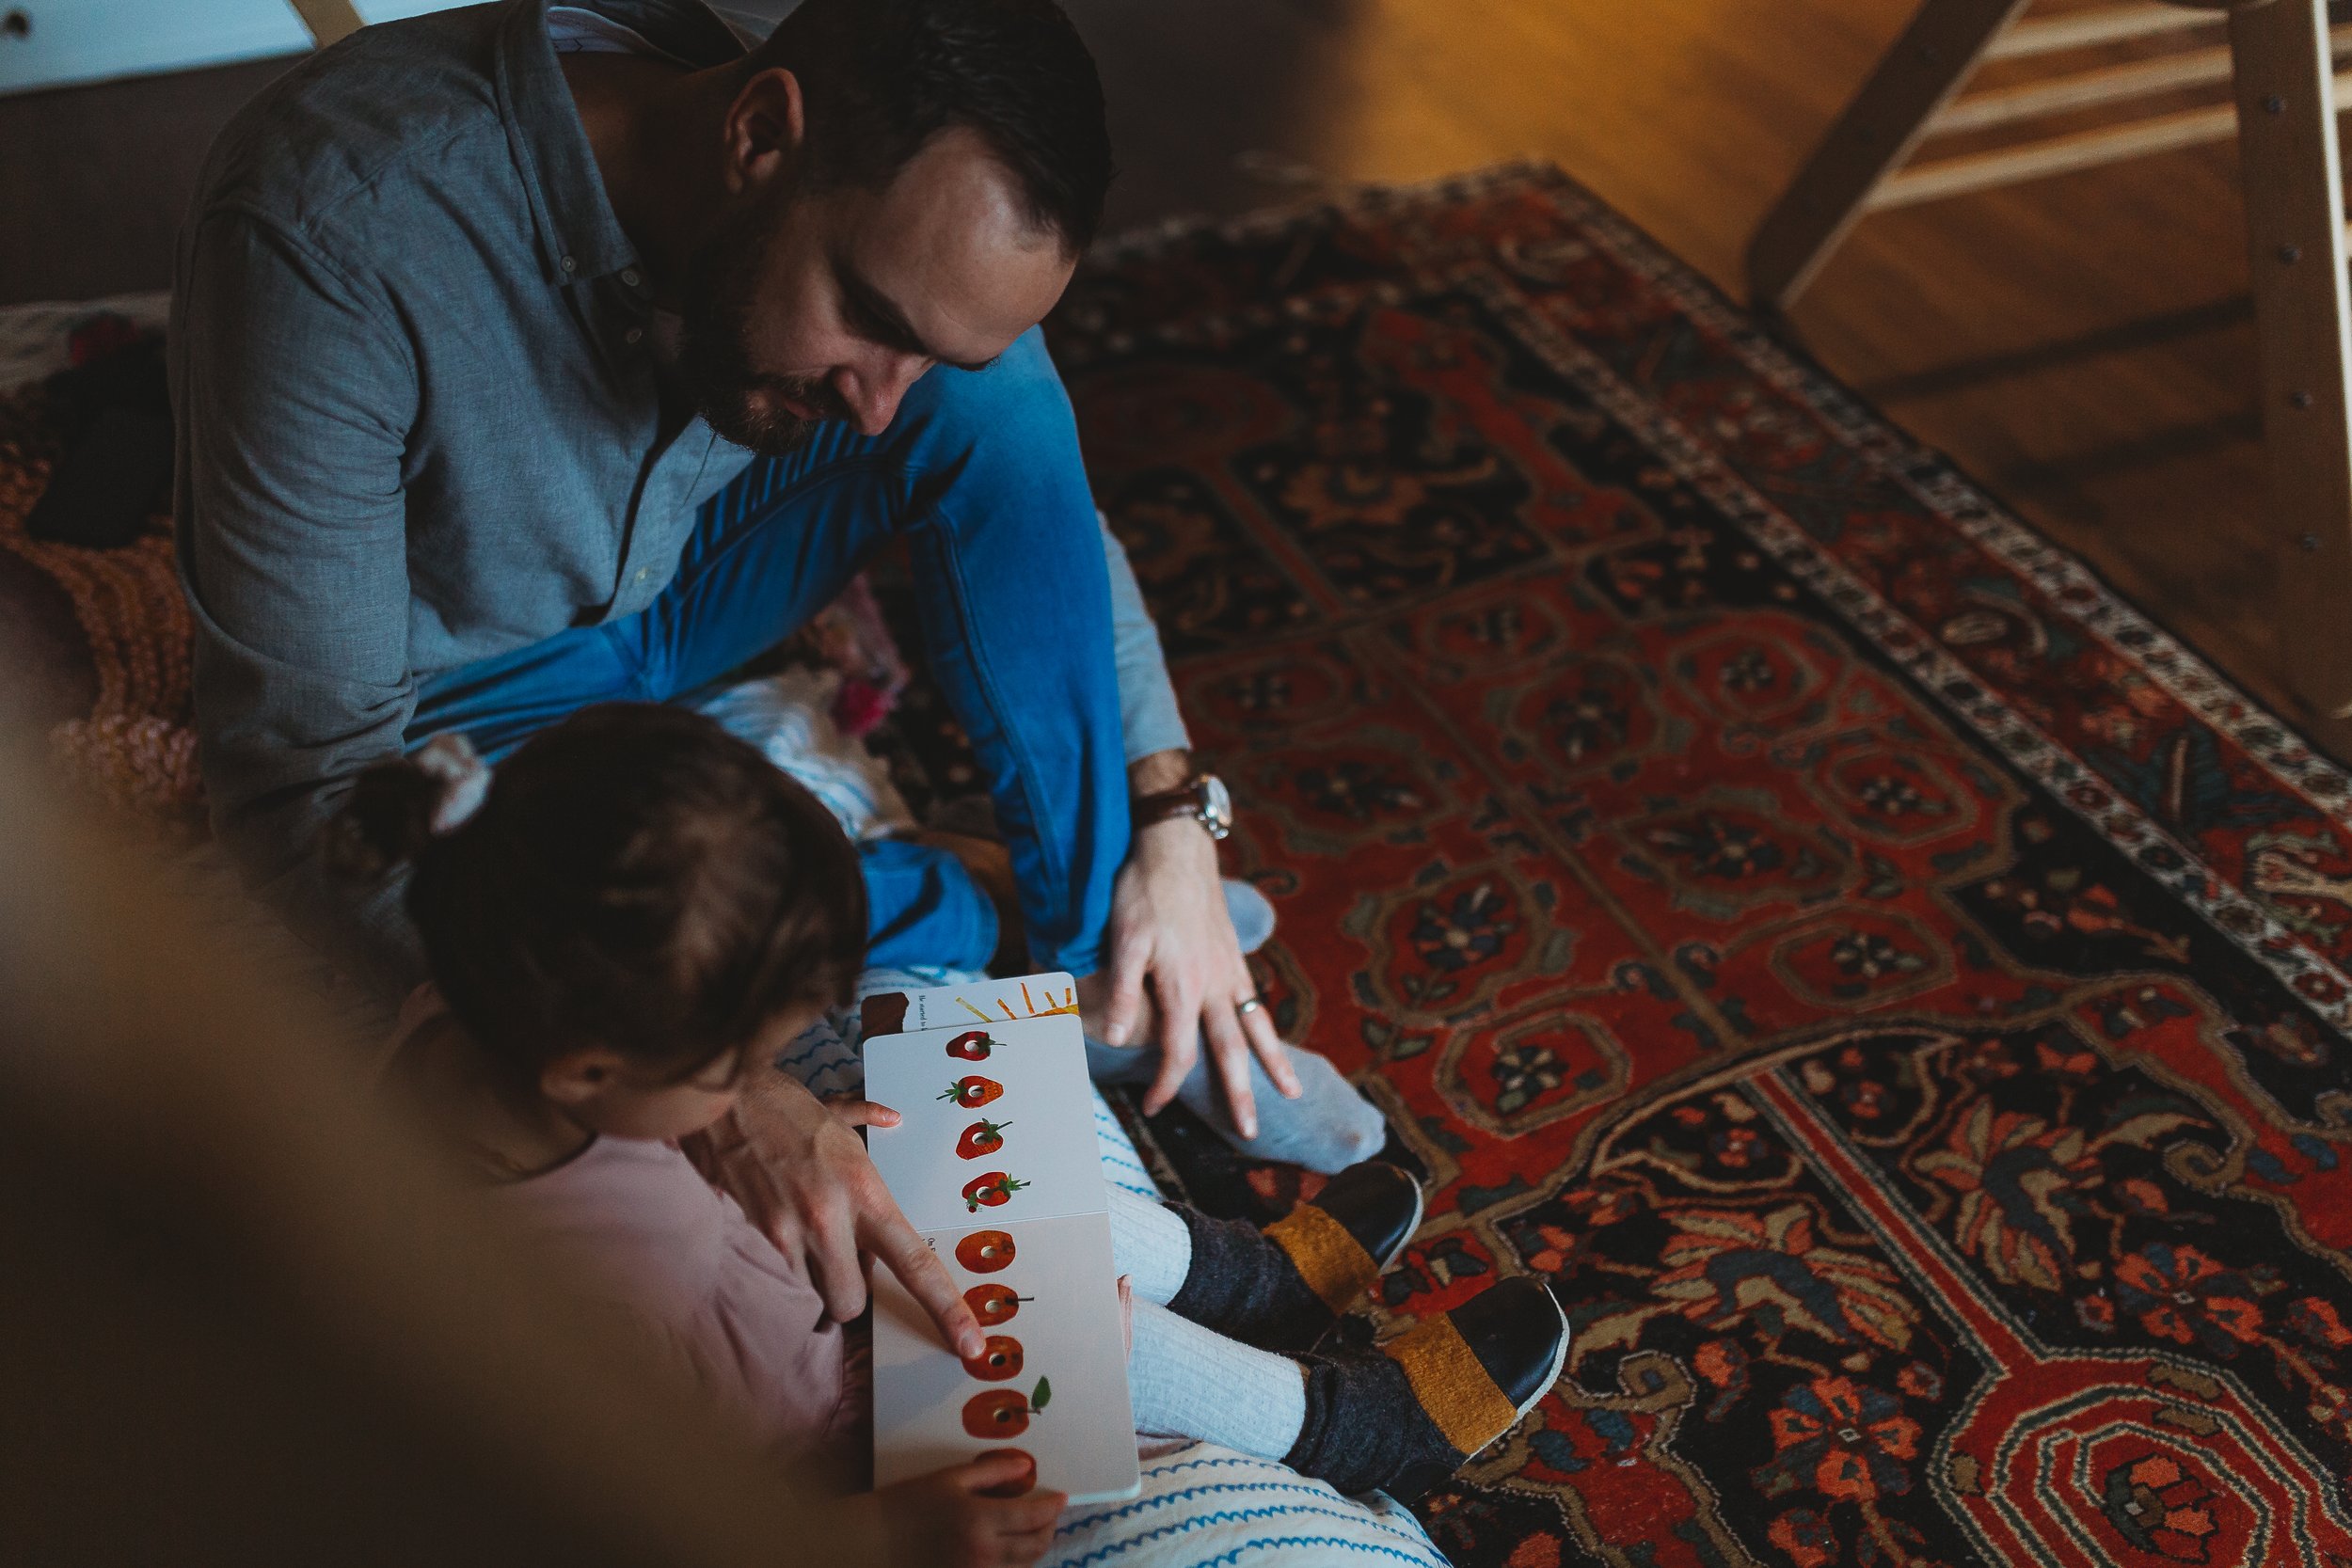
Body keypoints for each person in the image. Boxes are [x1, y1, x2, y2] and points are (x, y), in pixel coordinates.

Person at [172, 0, 1387, 1354]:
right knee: (671, 934)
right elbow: (310, 794)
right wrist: (716, 1087)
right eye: (866, 318)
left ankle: (1101, 953)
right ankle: (1000, 916)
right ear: (758, 133)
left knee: (1000, 411)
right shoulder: (334, 229)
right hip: (464, 702)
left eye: (920, 346)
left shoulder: (868, 135)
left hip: (690, 590)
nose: (879, 403)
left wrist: (1168, 816)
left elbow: (1039, 490)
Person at [333, 704, 1570, 1564]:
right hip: (832, 1420)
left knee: (980, 1190)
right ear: (589, 1067)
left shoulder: (482, 984)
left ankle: (1251, 1277)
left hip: (802, 1273)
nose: (745, 1094)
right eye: (725, 1072)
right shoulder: (529, 1308)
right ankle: (1342, 1428)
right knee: (1058, 1311)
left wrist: (758, 1106)